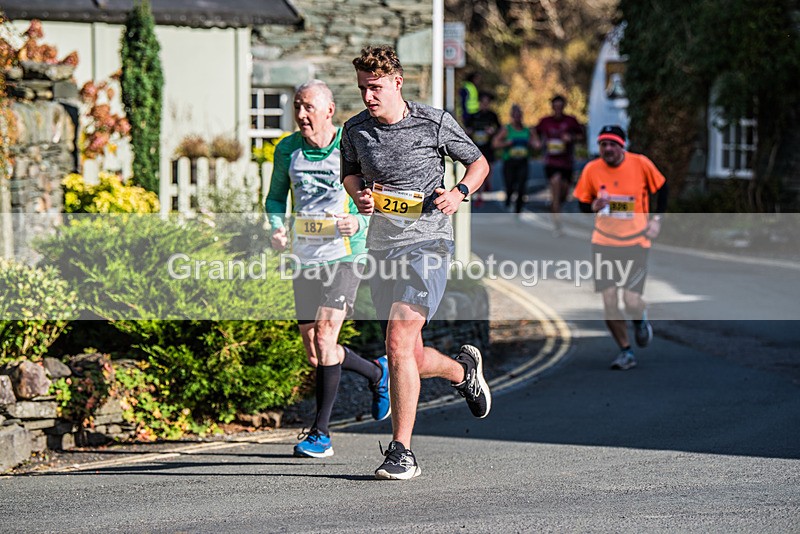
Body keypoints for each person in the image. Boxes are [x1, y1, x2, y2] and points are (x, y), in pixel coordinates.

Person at [341, 45, 492, 480]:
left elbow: (479, 164)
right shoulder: (355, 130)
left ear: (397, 82)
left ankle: (401, 451)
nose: (368, 96)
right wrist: (358, 195)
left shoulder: (433, 122)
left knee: (397, 339)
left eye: (375, 87)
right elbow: (350, 173)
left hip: (428, 244)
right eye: (362, 88)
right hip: (382, 247)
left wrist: (459, 193)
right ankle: (462, 371)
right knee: (407, 352)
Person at [265, 80, 391, 458]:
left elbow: (377, 198)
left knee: (324, 336)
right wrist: (276, 227)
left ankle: (320, 434)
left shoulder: (349, 147)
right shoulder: (287, 149)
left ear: (329, 110)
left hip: (345, 255)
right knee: (316, 351)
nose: (301, 114)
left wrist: (359, 221)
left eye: (309, 107)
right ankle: (376, 373)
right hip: (305, 256)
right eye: (297, 106)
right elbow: (275, 198)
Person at [572, 125, 668, 370]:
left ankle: (639, 318)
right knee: (609, 300)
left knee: (631, 300)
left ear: (622, 146)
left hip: (636, 242)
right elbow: (582, 204)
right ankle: (626, 351)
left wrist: (657, 220)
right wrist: (593, 206)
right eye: (603, 144)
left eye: (612, 144)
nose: (607, 149)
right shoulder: (592, 169)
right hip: (604, 243)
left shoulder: (641, 164)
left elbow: (662, 188)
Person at [532, 95, 585, 236]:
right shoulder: (545, 121)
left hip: (567, 162)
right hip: (551, 162)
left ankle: (554, 207)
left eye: (560, 107)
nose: (558, 110)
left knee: (564, 194)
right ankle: (557, 225)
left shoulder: (571, 121)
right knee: (555, 188)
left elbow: (582, 136)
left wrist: (571, 138)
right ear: (552, 107)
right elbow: (534, 131)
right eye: (555, 107)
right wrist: (537, 142)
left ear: (564, 107)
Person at [492, 104, 532, 214]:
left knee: (522, 185)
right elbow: (495, 143)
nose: (517, 117)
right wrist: (507, 143)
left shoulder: (527, 130)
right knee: (510, 185)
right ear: (512, 116)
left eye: (519, 115)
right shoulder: (507, 129)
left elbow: (537, 144)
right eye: (515, 115)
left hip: (523, 161)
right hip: (509, 161)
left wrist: (530, 143)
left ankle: (518, 209)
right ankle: (508, 199)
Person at [464, 91, 501, 205]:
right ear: (480, 103)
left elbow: (499, 129)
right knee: (479, 169)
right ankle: (479, 194)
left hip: (488, 146)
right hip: (477, 146)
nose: (485, 105)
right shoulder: (474, 116)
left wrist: (492, 131)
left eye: (487, 102)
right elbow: (467, 129)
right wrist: (470, 132)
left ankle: (487, 182)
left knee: (489, 168)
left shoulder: (492, 115)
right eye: (483, 102)